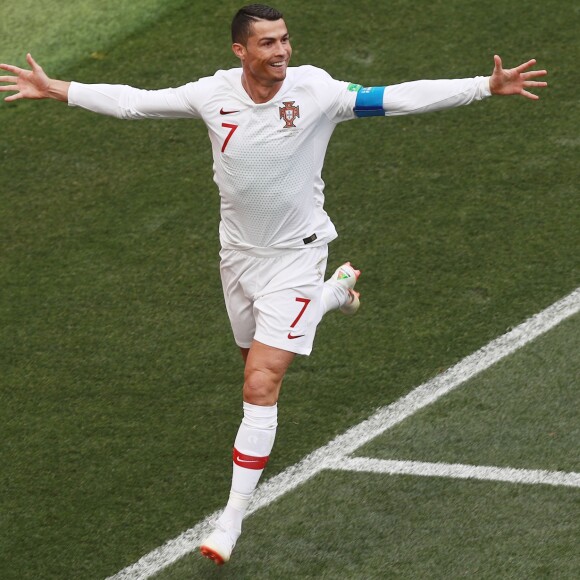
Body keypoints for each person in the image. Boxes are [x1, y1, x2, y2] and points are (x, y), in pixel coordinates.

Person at [0, 3, 547, 567]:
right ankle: (336, 295)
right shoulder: (211, 94)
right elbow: (135, 103)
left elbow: (397, 96)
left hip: (297, 256)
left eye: (285, 40)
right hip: (237, 258)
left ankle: (229, 521)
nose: (282, 51)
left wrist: (484, 86)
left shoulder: (316, 91)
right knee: (249, 361)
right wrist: (59, 88)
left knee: (260, 382)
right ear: (241, 51)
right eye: (267, 44)